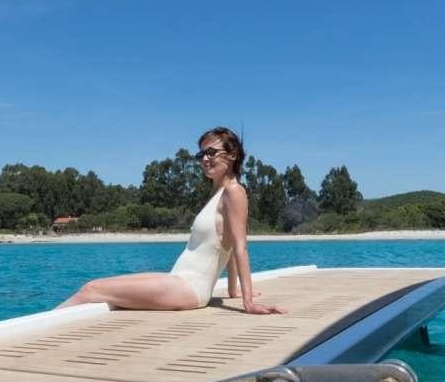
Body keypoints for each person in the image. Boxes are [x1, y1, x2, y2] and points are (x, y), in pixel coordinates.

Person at [57, 127, 287, 315]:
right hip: (178, 280)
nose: (205, 159)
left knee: (91, 289)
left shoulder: (234, 192)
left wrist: (248, 302)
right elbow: (227, 243)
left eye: (211, 152)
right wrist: (232, 290)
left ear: (233, 155)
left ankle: (34, 333)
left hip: (189, 289)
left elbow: (239, 246)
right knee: (95, 288)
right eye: (201, 155)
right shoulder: (218, 194)